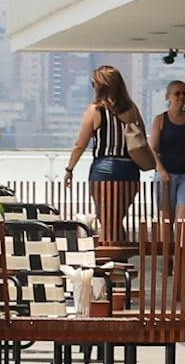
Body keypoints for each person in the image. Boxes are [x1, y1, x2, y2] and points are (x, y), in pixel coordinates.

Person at [62, 64, 152, 248]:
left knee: (107, 218)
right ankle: (119, 259)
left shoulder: (95, 110)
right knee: (117, 218)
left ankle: (114, 260)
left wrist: (69, 169)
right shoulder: (131, 108)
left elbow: (80, 144)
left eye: (93, 83)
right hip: (130, 170)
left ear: (100, 86)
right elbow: (141, 137)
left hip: (104, 168)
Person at [150, 79, 185, 218]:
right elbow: (152, 149)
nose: (181, 96)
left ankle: (181, 241)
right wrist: (161, 170)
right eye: (177, 93)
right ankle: (167, 241)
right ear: (168, 96)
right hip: (166, 176)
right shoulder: (160, 120)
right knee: (166, 220)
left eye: (184, 93)